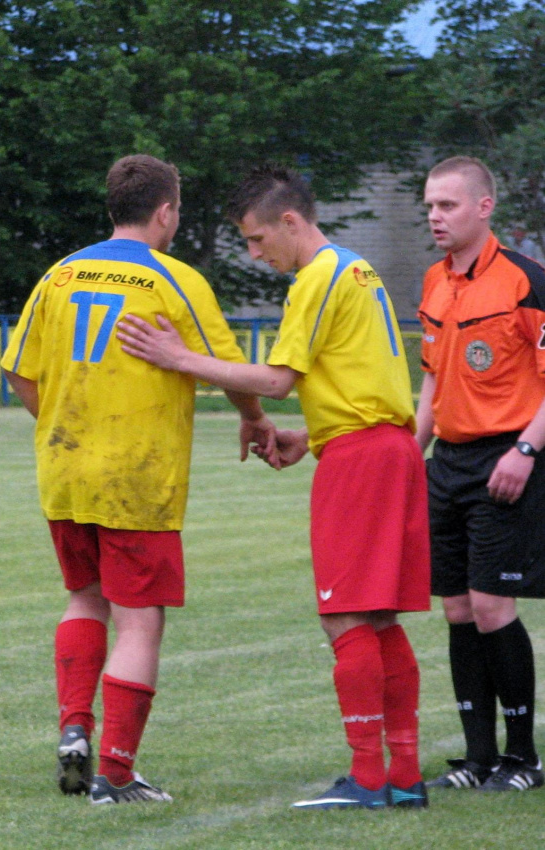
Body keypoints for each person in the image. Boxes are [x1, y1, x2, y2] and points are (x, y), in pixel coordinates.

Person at [116, 163, 431, 810]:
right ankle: (403, 774)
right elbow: (362, 382)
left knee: (344, 616)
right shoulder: (358, 267)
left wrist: (180, 358)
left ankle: (370, 778)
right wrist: (312, 438)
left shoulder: (316, 278)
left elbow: (277, 381)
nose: (256, 255)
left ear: (291, 222)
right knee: (379, 618)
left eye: (258, 240)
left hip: (363, 462)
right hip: (386, 448)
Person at [1, 154, 276, 806]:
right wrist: (256, 420)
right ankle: (116, 774)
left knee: (84, 599)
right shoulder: (174, 281)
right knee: (139, 622)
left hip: (66, 470)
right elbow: (225, 368)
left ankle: (75, 727)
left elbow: (19, 370)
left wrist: (64, 424)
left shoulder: (59, 275)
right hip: (137, 476)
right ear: (165, 212)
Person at [416, 155, 545, 792]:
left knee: (495, 605)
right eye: (430, 206)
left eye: (448, 205)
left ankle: (522, 759)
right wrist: (413, 454)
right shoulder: (434, 282)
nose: (435, 216)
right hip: (449, 461)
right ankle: (476, 759)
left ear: (484, 207)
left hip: (509, 457)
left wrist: (525, 452)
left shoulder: (527, 281)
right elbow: (433, 378)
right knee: (459, 609)